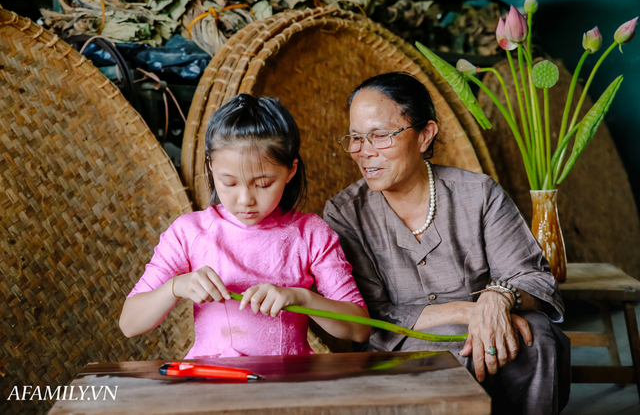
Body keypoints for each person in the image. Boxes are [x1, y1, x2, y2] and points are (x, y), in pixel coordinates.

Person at [323, 72, 570, 415]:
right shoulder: (346, 213)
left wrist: (498, 298)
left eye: (380, 136)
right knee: (454, 347)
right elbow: (372, 314)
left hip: (494, 331)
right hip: (401, 342)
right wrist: (469, 312)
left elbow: (535, 279)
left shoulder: (479, 195)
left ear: (425, 135)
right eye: (355, 138)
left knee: (535, 335)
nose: (364, 152)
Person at [120, 94, 370, 359]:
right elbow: (130, 324)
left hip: (289, 386)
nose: (245, 200)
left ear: (291, 170)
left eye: (263, 184)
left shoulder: (310, 234)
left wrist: (302, 299)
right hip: (210, 385)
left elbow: (359, 329)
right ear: (211, 166)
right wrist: (176, 287)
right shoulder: (189, 233)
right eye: (229, 183)